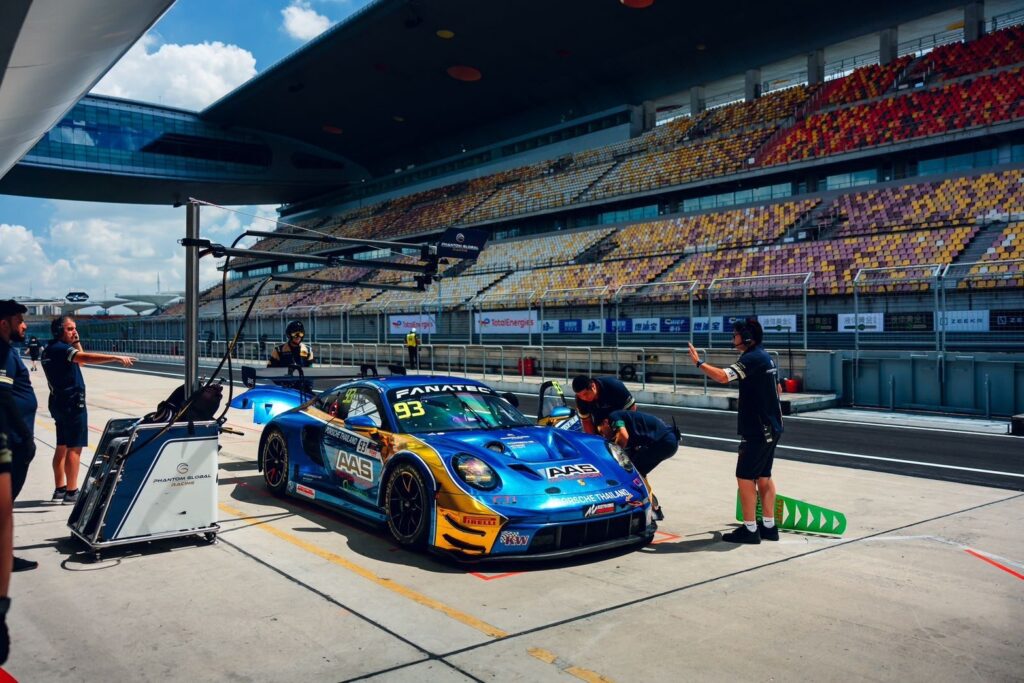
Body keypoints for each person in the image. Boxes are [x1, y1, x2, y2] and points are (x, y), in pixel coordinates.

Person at [689, 318, 783, 544]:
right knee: (764, 476)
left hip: (758, 430)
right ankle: (769, 526)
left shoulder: (751, 359)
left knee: (745, 477)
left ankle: (750, 529)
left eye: (735, 335)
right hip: (772, 426)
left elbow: (723, 376)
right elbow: (778, 389)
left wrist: (699, 363)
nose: (733, 338)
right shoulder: (765, 356)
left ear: (747, 338)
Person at [42, 316, 136, 506]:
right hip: (72, 403)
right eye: (70, 329)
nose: (74, 332)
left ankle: (60, 489)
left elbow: (80, 361)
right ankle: (71, 492)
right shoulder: (62, 349)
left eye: (75, 328)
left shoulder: (49, 350)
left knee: (61, 446)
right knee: (74, 448)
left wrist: (76, 341)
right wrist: (115, 357)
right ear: (59, 331)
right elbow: (85, 358)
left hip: (59, 402)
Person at [0, 300, 38, 571]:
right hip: (13, 441)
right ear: (4, 324)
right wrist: (26, 438)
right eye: (19, 321)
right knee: (4, 504)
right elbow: (3, 396)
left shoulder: (7, 351)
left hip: (13, 438)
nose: (24, 326)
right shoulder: (2, 353)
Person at [597, 409, 678, 520]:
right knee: (638, 472)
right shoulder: (624, 423)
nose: (603, 435)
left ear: (605, 422)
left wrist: (614, 457)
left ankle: (651, 510)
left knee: (634, 472)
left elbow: (624, 436)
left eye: (602, 431)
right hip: (668, 441)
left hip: (664, 441)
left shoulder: (613, 417)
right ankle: (653, 507)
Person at [571, 374, 636, 434]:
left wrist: (620, 428)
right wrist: (593, 439)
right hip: (601, 424)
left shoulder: (614, 386)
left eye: (586, 394)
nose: (584, 398)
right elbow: (586, 422)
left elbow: (632, 409)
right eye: (580, 396)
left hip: (619, 419)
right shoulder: (580, 399)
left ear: (593, 386)